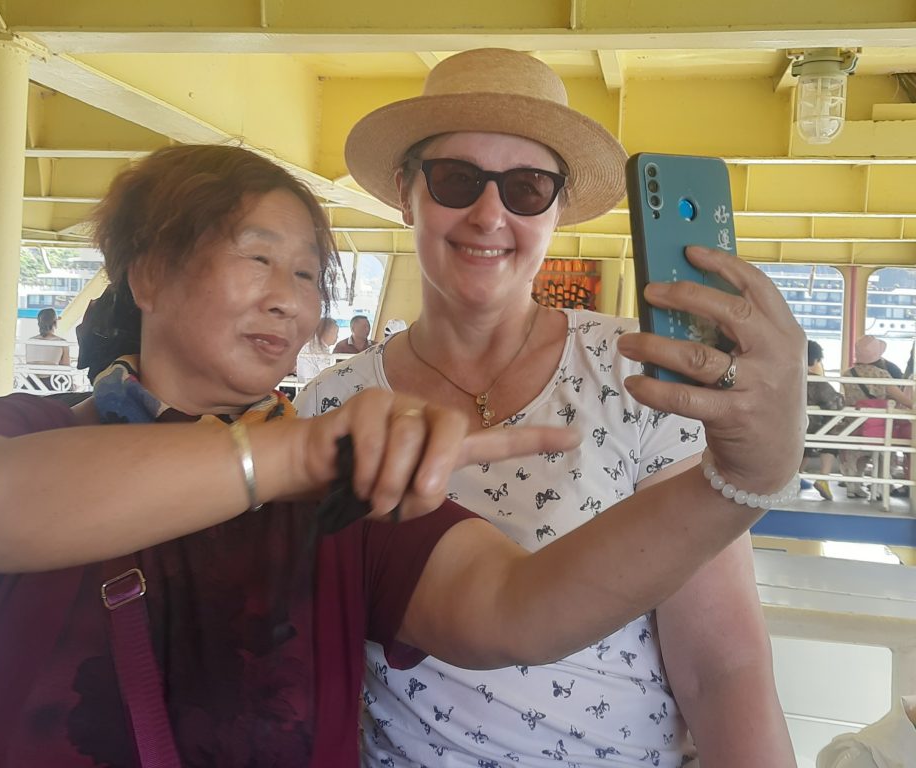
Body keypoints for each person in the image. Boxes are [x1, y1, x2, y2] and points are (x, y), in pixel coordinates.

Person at [0, 144, 801, 767]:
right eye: (258, 259)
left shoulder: (345, 480)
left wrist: (737, 482)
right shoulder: (25, 431)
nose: (288, 301)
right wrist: (291, 457)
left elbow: (513, 611)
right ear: (147, 274)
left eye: (307, 275)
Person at [299, 47, 803, 768]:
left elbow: (722, 667)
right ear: (406, 193)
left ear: (557, 210)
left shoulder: (639, 371)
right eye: (456, 179)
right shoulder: (331, 405)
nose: (488, 214)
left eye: (527, 189)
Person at [841, 334, 914, 500]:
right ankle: (880, 487)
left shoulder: (847, 374)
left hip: (853, 424)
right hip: (877, 426)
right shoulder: (882, 375)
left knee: (859, 452)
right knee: (885, 452)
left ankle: (854, 486)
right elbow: (903, 399)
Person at [805, 340, 843, 501]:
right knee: (833, 433)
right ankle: (823, 478)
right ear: (814, 360)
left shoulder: (781, 377)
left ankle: (794, 476)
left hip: (780, 428)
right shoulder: (816, 382)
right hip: (808, 427)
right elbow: (834, 405)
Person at [25, 307, 72, 391]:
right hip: (51, 384)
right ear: (55, 323)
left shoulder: (30, 341)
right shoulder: (61, 342)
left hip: (30, 383)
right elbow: (66, 368)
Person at [294, 316, 338, 383]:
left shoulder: (311, 345)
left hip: (308, 385)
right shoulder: (318, 349)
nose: (337, 336)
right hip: (314, 385)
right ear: (326, 332)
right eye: (335, 333)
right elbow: (327, 372)